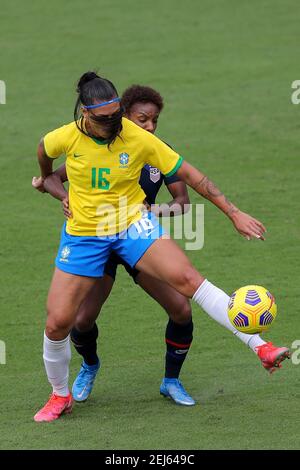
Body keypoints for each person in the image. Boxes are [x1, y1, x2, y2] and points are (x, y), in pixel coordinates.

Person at [33, 71, 290, 423]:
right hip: (84, 235)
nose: (113, 125)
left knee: (188, 281)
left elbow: (193, 177)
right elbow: (44, 167)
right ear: (86, 115)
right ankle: (60, 395)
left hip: (131, 225)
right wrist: (61, 193)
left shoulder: (138, 138)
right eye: (105, 119)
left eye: (115, 116)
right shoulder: (63, 137)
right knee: (59, 322)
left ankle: (259, 346)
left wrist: (233, 212)